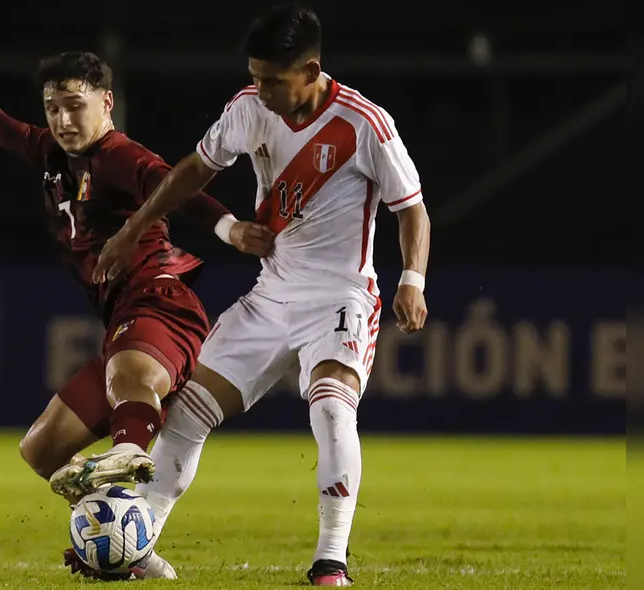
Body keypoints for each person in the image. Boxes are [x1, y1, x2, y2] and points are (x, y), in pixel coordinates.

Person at [0, 17, 275, 580]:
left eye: (76, 105)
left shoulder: (120, 155)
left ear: (106, 103)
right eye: (53, 108)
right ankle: (128, 545)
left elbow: (172, 184)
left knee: (131, 374)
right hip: (122, 316)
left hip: (160, 302)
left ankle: (129, 452)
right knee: (43, 452)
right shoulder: (49, 153)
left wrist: (228, 229)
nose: (64, 120)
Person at [91, 1, 431, 585]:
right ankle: (136, 545)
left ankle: (331, 560)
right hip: (271, 295)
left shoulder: (365, 123)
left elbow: (413, 210)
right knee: (186, 414)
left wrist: (412, 280)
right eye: (254, 76)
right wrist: (132, 228)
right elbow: (193, 171)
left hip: (341, 297)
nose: (261, 89)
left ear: (311, 69)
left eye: (273, 79)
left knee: (329, 409)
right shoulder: (248, 109)